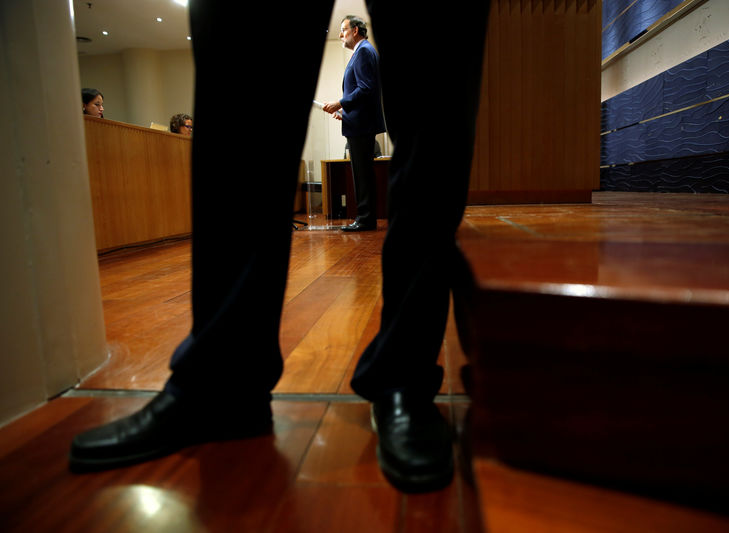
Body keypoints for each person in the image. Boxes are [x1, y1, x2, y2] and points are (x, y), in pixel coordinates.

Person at [69, 1, 490, 494]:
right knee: (239, 63)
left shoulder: (363, 54)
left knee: (434, 94)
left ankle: (405, 373)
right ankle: (223, 384)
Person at [323, 16, 385, 232]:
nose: (340, 34)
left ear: (356, 30)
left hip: (362, 126)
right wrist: (344, 112)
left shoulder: (364, 51)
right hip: (359, 122)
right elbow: (362, 93)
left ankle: (366, 219)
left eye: (343, 30)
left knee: (362, 174)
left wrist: (339, 102)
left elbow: (366, 88)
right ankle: (365, 217)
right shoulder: (363, 51)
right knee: (362, 173)